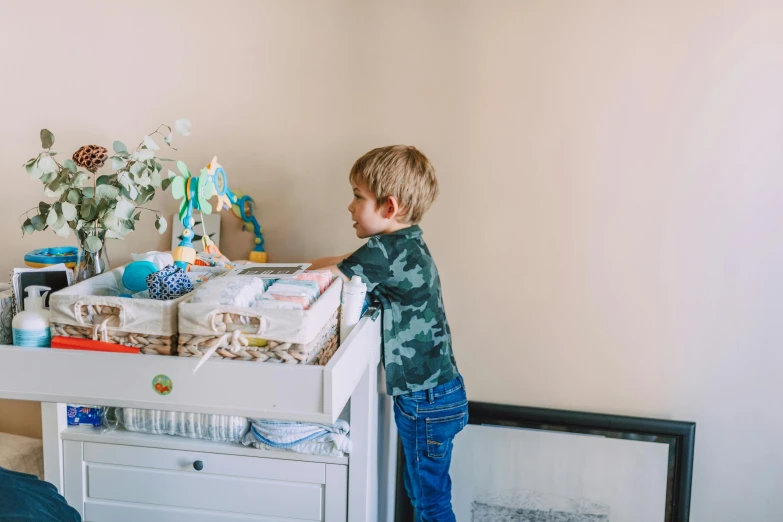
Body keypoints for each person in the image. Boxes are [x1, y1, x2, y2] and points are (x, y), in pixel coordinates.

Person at [310, 145, 467, 521]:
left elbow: (326, 275)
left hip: (424, 401)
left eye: (357, 196)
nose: (350, 206)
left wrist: (285, 270)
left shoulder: (383, 251)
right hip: (440, 393)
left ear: (389, 207)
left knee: (430, 502)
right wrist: (313, 264)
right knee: (424, 493)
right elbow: (340, 264)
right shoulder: (405, 243)